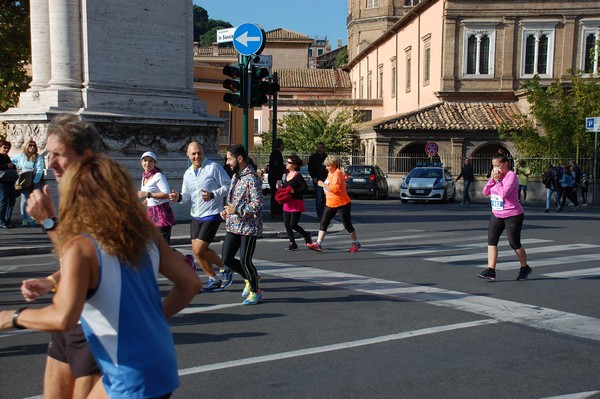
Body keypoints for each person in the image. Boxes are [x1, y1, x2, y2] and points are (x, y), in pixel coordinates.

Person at [1, 154, 202, 398]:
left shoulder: (82, 246)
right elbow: (190, 283)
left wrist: (12, 317)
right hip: (161, 362)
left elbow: (63, 317)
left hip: (129, 374)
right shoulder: (144, 233)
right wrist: (153, 316)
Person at [20, 114, 105, 399]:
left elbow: (90, 258)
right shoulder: (67, 192)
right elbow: (82, 264)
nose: (51, 163)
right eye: (48, 154)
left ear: (86, 155)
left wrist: (48, 222)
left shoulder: (101, 197)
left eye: (59, 155)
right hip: (67, 324)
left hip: (93, 327)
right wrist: (52, 282)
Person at [169, 142, 232, 292]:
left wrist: (213, 195)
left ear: (203, 152)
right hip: (196, 215)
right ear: (188, 155)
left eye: (199, 153)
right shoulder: (188, 173)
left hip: (211, 213)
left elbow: (228, 185)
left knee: (198, 249)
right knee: (198, 251)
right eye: (193, 154)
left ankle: (225, 268)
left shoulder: (213, 167)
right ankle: (212, 278)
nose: (197, 156)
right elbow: (186, 197)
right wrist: (178, 197)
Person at [220, 144, 264, 305]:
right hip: (234, 225)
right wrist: (226, 210)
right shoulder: (236, 176)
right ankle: (250, 277)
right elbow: (233, 200)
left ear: (239, 158)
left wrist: (236, 209)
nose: (227, 162)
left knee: (246, 261)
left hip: (249, 226)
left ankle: (255, 292)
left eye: (229, 158)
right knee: (227, 258)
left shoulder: (251, 177)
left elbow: (258, 205)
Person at [478, 153, 531, 281]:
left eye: (498, 165)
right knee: (492, 241)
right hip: (497, 213)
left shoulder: (511, 177)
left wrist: (497, 180)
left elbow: (503, 194)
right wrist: (492, 179)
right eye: (494, 166)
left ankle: (524, 268)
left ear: (506, 164)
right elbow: (485, 192)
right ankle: (491, 270)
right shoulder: (497, 176)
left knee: (514, 243)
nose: (496, 168)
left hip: (513, 214)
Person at [307, 156, 361, 253]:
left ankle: (355, 242)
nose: (326, 167)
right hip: (330, 203)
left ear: (333, 165)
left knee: (347, 224)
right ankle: (318, 244)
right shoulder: (330, 173)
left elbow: (335, 189)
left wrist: (322, 184)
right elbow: (329, 186)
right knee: (324, 223)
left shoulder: (337, 173)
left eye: (328, 166)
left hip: (342, 203)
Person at [138, 151, 176, 244]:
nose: (147, 163)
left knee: (163, 247)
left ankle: (184, 259)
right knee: (152, 247)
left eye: (151, 161)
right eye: (145, 161)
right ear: (141, 162)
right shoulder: (144, 177)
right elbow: (149, 199)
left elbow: (166, 194)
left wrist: (148, 194)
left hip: (161, 214)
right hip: (150, 214)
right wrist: (140, 206)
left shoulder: (158, 176)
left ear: (155, 163)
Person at [279, 154, 312, 251]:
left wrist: (295, 191)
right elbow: (286, 188)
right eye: (287, 162)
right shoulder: (286, 173)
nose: (287, 164)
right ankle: (292, 243)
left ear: (294, 165)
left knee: (293, 224)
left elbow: (305, 188)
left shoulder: (298, 175)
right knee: (286, 224)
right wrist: (280, 188)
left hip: (296, 202)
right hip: (287, 202)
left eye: (289, 162)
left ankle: (306, 235)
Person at [12, 139, 45, 227]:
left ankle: (32, 218)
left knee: (37, 200)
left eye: (34, 146)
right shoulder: (21, 156)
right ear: (27, 146)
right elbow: (12, 161)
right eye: (30, 145)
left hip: (35, 180)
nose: (32, 147)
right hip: (24, 180)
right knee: (24, 200)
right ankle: (24, 219)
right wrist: (17, 167)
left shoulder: (38, 157)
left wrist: (35, 181)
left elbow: (40, 169)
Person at [308, 142, 328, 220]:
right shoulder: (313, 157)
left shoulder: (326, 157)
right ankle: (319, 214)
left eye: (321, 147)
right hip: (317, 179)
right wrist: (314, 177)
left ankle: (324, 212)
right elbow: (310, 169)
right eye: (318, 147)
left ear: (323, 148)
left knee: (325, 197)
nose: (319, 149)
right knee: (319, 197)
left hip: (325, 179)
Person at [0, 140, 17, 228]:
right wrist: (7, 166)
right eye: (4, 147)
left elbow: (13, 166)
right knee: (3, 201)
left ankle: (7, 220)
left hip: (10, 181)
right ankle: (1, 221)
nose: (6, 149)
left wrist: (11, 165)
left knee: (12, 201)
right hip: (1, 182)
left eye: (8, 148)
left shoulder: (7, 157)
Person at [268, 138, 285, 219]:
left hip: (272, 177)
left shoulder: (273, 153)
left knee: (274, 195)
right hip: (276, 177)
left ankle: (273, 211)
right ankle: (277, 212)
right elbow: (276, 166)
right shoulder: (277, 154)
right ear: (280, 145)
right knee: (278, 194)